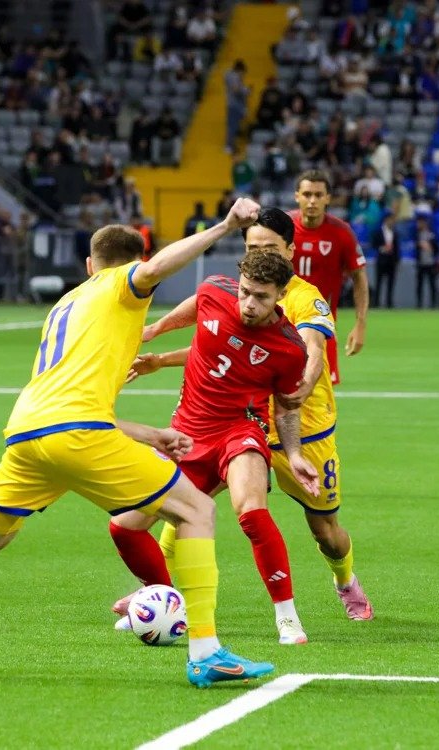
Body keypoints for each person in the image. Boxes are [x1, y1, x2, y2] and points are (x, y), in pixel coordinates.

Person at [0, 199, 279, 688]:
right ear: (131, 265)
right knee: (196, 512)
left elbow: (72, 404)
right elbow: (155, 269)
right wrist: (226, 226)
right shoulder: (119, 287)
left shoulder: (66, 304)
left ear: (88, 264)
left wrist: (150, 435)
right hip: (76, 434)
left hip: (27, 435)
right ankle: (206, 653)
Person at [112, 246, 318, 645]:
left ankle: (287, 617)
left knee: (252, 511)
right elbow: (197, 310)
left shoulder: (290, 348)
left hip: (240, 431)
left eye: (261, 296)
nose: (249, 304)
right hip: (185, 437)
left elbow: (288, 408)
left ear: (280, 293)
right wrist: (156, 331)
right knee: (124, 528)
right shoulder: (213, 292)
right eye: (245, 292)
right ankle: (169, 603)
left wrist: (293, 454)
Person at [290, 170, 370, 383]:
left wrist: (360, 323)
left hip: (321, 328)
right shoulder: (283, 228)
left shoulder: (341, 232)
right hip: (281, 326)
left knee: (321, 402)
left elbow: (359, 277)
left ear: (328, 198)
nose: (312, 200)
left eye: (318, 195)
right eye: (307, 194)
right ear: (297, 196)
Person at [371, 213, 399, 308]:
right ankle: (376, 303)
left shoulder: (395, 233)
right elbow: (374, 244)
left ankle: (389, 303)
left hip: (391, 261)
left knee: (391, 283)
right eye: (391, 219)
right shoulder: (378, 232)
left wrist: (397, 260)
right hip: (381, 260)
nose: (392, 222)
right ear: (386, 220)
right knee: (379, 282)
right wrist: (382, 248)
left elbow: (397, 248)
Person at [413, 214, 439, 308]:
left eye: (420, 222)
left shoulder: (432, 234)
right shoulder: (417, 234)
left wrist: (430, 247)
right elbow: (415, 247)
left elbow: (437, 248)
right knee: (419, 285)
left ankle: (433, 304)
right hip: (421, 263)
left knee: (432, 285)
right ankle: (419, 304)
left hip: (430, 262)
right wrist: (419, 245)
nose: (418, 224)